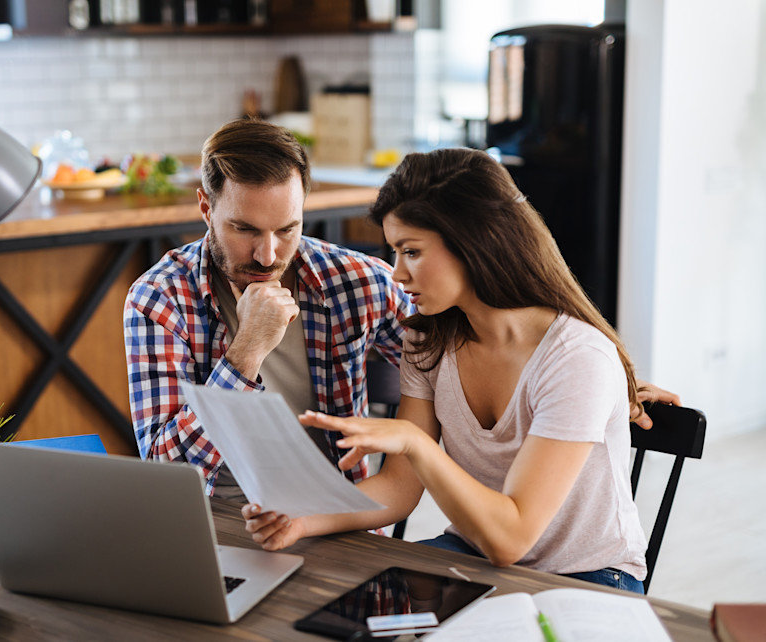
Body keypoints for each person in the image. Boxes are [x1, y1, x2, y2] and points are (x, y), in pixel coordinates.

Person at [242, 147, 682, 593]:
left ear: (475, 242)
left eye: (411, 251)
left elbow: (510, 538)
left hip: (586, 577)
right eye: (395, 252)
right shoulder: (428, 340)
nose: (397, 274)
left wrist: (416, 444)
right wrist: (301, 518)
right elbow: (398, 489)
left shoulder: (577, 358)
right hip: (473, 555)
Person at [123, 118, 413, 502]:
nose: (268, 255)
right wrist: (245, 354)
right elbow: (166, 475)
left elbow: (449, 374)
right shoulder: (159, 299)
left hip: (339, 521)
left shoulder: (358, 281)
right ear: (206, 208)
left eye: (286, 229)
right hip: (216, 522)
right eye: (245, 230)